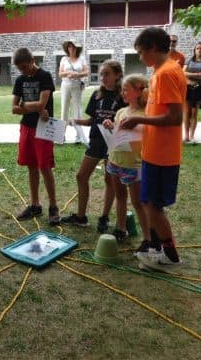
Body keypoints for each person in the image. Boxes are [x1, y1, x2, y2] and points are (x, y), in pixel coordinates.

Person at [120, 27, 187, 271]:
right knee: (149, 202)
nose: (140, 57)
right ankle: (157, 248)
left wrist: (140, 120)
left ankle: (170, 256)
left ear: (153, 48)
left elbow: (175, 118)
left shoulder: (167, 73)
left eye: (140, 52)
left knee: (152, 205)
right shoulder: (161, 72)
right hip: (154, 151)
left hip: (162, 154)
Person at [61, 60, 126, 231]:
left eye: (107, 74)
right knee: (81, 176)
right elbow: (92, 120)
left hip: (113, 144)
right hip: (96, 141)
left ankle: (104, 217)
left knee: (109, 179)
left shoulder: (123, 96)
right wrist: (75, 121)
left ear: (118, 75)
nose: (102, 77)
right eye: (101, 74)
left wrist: (115, 125)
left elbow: (127, 122)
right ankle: (81, 217)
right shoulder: (98, 94)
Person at [11, 47, 61, 225]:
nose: (23, 71)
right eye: (20, 68)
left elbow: (42, 103)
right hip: (27, 127)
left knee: (44, 166)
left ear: (32, 60)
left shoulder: (44, 76)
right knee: (31, 166)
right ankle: (35, 205)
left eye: (24, 67)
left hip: (43, 128)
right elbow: (14, 108)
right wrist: (34, 107)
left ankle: (53, 207)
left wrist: (26, 105)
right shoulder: (20, 80)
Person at [102, 74, 150, 242]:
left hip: (135, 164)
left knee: (138, 202)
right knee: (120, 196)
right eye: (121, 89)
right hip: (115, 160)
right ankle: (121, 228)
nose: (122, 93)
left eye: (125, 89)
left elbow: (146, 137)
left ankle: (148, 238)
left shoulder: (147, 114)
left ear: (138, 91)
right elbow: (118, 134)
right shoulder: (121, 112)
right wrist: (111, 126)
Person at [58, 40, 89, 144]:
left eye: (74, 47)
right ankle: (61, 136)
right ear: (67, 48)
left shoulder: (82, 59)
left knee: (78, 110)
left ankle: (79, 136)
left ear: (77, 48)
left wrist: (77, 75)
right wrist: (68, 73)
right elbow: (60, 73)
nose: (72, 49)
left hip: (77, 85)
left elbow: (86, 72)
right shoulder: (64, 59)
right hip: (66, 84)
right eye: (70, 47)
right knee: (64, 110)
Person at [183, 42, 201, 144]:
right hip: (187, 89)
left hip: (198, 89)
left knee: (194, 113)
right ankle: (186, 136)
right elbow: (183, 72)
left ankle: (192, 136)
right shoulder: (189, 60)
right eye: (197, 48)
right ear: (194, 50)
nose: (199, 50)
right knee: (187, 113)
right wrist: (198, 74)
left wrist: (190, 75)